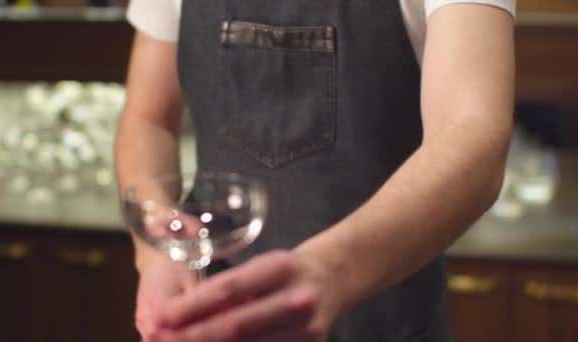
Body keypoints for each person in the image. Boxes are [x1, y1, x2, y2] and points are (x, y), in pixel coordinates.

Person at [115, 0, 516, 341]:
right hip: (211, 315)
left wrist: (330, 272)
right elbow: (148, 118)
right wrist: (158, 248)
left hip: (383, 323)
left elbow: (473, 133)